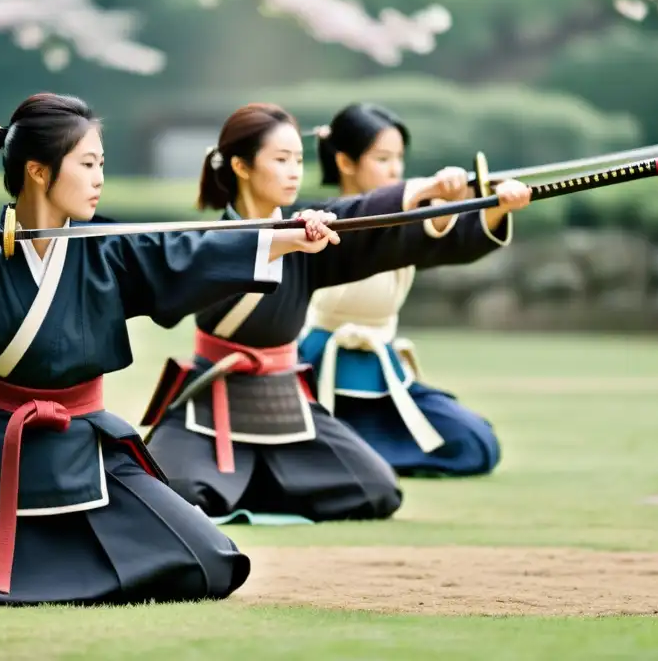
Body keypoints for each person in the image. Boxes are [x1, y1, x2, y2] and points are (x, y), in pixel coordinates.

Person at [0, 92, 340, 608]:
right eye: (88, 164)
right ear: (37, 170)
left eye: (102, 164)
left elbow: (192, 251)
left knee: (212, 559)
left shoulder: (109, 249)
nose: (100, 177)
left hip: (88, 448)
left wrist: (286, 237)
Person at [140, 102, 531, 523]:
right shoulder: (214, 243)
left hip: (283, 396)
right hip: (213, 399)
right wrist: (280, 242)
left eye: (298, 160)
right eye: (280, 160)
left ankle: (250, 487)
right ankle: (241, 484)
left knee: (376, 491)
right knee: (178, 498)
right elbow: (191, 273)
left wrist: (464, 204)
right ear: (241, 165)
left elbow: (362, 223)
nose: (293, 171)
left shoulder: (307, 235)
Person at [297, 103, 517, 478]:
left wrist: (495, 208)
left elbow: (445, 240)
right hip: (318, 369)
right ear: (346, 162)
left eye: (399, 158)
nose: (395, 169)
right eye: (383, 158)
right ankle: (356, 459)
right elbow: (378, 227)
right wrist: (431, 200)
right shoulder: (315, 219)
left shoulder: (404, 219)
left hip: (380, 365)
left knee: (476, 443)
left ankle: (363, 460)